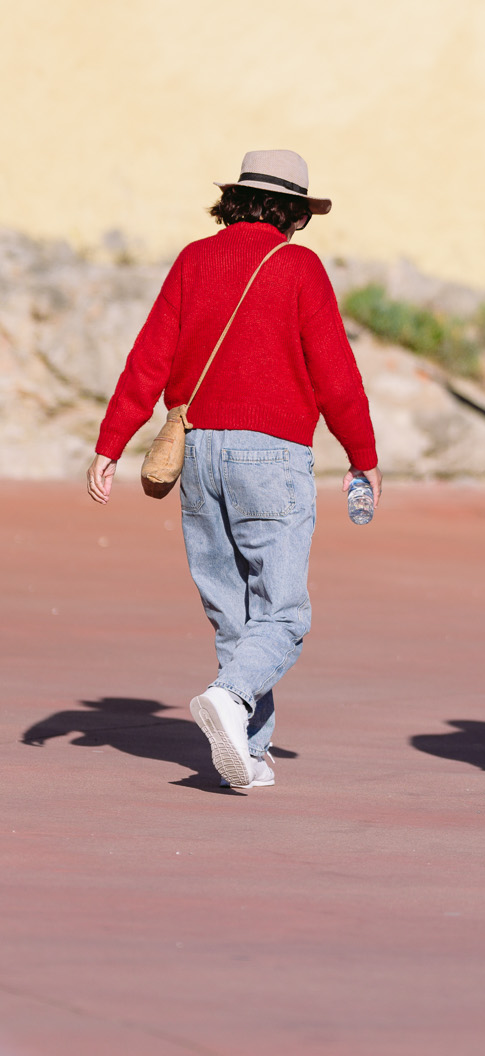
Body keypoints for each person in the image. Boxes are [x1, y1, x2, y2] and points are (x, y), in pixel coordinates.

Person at [87, 150, 380, 790]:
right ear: (293, 212)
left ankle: (247, 753)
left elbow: (149, 358)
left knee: (232, 612)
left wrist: (111, 444)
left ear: (236, 201)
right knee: (284, 614)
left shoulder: (194, 260)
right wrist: (363, 456)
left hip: (196, 449)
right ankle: (230, 696)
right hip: (271, 455)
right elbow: (336, 373)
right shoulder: (299, 267)